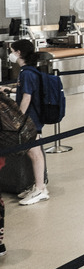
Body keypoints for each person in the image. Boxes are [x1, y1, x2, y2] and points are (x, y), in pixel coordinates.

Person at [5, 40, 48, 205]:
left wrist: (19, 118)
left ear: (19, 53)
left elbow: (27, 97)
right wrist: (9, 89)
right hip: (31, 119)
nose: (11, 54)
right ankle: (38, 186)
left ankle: (40, 188)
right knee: (32, 152)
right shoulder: (28, 71)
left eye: (12, 51)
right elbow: (25, 90)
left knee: (34, 153)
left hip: (30, 120)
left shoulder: (27, 73)